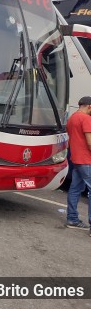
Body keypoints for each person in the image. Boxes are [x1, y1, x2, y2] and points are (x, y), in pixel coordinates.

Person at [65, 95, 91, 234]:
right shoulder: (86, 119)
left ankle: (72, 219)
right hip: (87, 160)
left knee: (75, 189)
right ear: (89, 106)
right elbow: (89, 141)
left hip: (75, 158)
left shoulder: (72, 118)